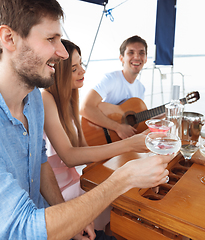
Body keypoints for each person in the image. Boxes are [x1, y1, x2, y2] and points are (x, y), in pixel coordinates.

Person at [0, 0, 171, 239]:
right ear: (9, 38)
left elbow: (41, 162)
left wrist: (65, 216)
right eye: (51, 39)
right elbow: (21, 230)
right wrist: (124, 178)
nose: (62, 52)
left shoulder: (32, 97)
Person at [42, 39, 149, 231]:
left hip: (77, 179)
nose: (82, 71)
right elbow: (69, 156)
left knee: (130, 196)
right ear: (57, 72)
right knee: (122, 204)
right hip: (57, 191)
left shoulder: (71, 99)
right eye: (74, 69)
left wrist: (123, 160)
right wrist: (129, 144)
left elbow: (85, 148)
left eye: (80, 64)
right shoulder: (45, 98)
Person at [80, 35, 148, 140]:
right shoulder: (111, 79)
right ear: (121, 58)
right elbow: (85, 108)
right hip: (100, 137)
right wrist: (117, 127)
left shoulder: (141, 88)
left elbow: (137, 119)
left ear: (146, 59)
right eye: (131, 52)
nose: (137, 57)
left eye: (141, 53)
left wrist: (164, 113)